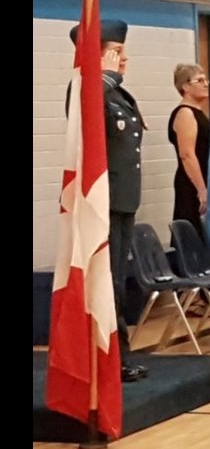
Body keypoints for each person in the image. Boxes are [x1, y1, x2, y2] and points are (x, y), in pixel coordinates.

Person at [67, 19, 150, 383]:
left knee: (116, 279)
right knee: (106, 281)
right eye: (116, 52)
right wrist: (103, 74)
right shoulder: (89, 89)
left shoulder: (116, 94)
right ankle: (110, 359)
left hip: (121, 200)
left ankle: (118, 356)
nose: (124, 59)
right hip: (103, 200)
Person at [168, 64, 210, 238]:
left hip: (204, 179)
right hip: (191, 184)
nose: (206, 83)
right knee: (193, 235)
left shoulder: (199, 112)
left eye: (206, 79)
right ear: (185, 87)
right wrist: (201, 190)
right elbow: (187, 155)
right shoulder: (185, 113)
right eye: (199, 80)